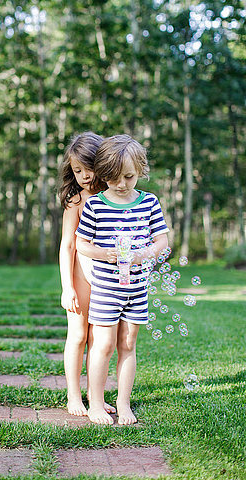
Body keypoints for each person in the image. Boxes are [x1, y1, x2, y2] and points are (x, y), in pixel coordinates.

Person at [76, 134, 169, 425]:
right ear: (104, 174)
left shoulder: (149, 202)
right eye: (114, 177)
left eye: (129, 177)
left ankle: (124, 403)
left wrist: (147, 253)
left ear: (140, 170)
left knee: (128, 344)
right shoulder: (96, 206)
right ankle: (96, 403)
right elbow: (82, 244)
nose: (121, 184)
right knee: (103, 345)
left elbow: (162, 241)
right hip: (106, 289)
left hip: (137, 288)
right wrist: (106, 254)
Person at [58, 132, 115, 417]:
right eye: (76, 170)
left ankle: (96, 396)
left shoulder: (112, 199)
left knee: (100, 340)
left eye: (87, 168)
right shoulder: (75, 201)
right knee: (78, 336)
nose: (82, 176)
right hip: (81, 278)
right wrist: (67, 287)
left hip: (109, 281)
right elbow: (67, 245)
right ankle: (73, 395)